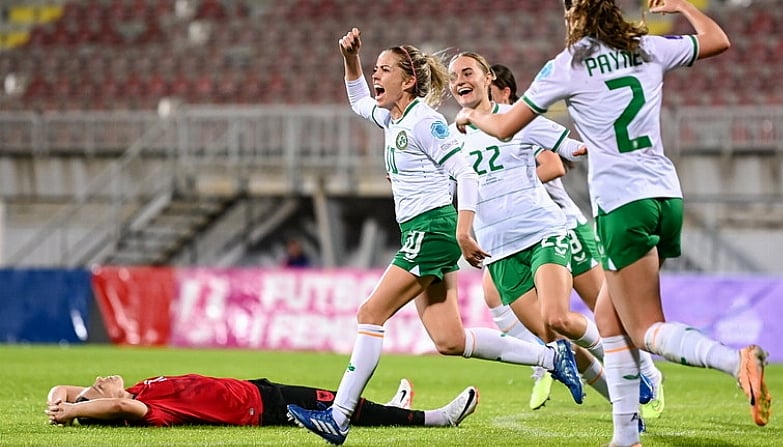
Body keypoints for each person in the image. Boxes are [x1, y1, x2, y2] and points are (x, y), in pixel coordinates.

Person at [455, 1, 771, 445]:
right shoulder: (645, 46)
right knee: (609, 317)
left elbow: (506, 127)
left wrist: (472, 117)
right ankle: (625, 436)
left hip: (622, 204)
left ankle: (734, 361)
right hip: (665, 194)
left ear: (575, 16)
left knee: (644, 327)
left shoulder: (569, 64)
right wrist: (682, 5)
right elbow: (719, 41)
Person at [285, 27, 583, 446]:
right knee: (449, 340)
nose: (375, 76)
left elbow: (465, 170)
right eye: (374, 70)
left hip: (433, 228)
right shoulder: (391, 116)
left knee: (370, 314)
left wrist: (463, 229)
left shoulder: (425, 121)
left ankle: (339, 417)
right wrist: (350, 58)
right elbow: (357, 100)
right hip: (421, 229)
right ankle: (551, 357)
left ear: (408, 81)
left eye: (383, 70)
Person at [487, 63, 665, 419]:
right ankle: (547, 359)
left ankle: (647, 370)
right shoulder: (480, 129)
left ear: (505, 91)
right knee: (501, 300)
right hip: (518, 235)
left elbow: (554, 165)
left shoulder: (517, 124)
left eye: (488, 86)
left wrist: (512, 184)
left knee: (605, 306)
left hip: (564, 227)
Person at [447, 51, 610, 404]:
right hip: (499, 250)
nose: (460, 79)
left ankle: (628, 363)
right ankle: (622, 399)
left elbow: (569, 149)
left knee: (560, 318)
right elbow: (435, 179)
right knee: (550, 335)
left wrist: (602, 144)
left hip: (543, 232)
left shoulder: (517, 117)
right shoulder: (451, 136)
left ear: (488, 77)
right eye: (453, 76)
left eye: (468, 72)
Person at [45, 374, 477, 429]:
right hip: (260, 409)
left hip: (255, 390)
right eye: (98, 387)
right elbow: (113, 407)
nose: (100, 380)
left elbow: (65, 392)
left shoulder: (136, 390)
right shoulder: (142, 410)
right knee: (342, 406)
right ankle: (435, 419)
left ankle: (394, 406)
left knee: (341, 399)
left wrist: (61, 407)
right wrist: (79, 410)